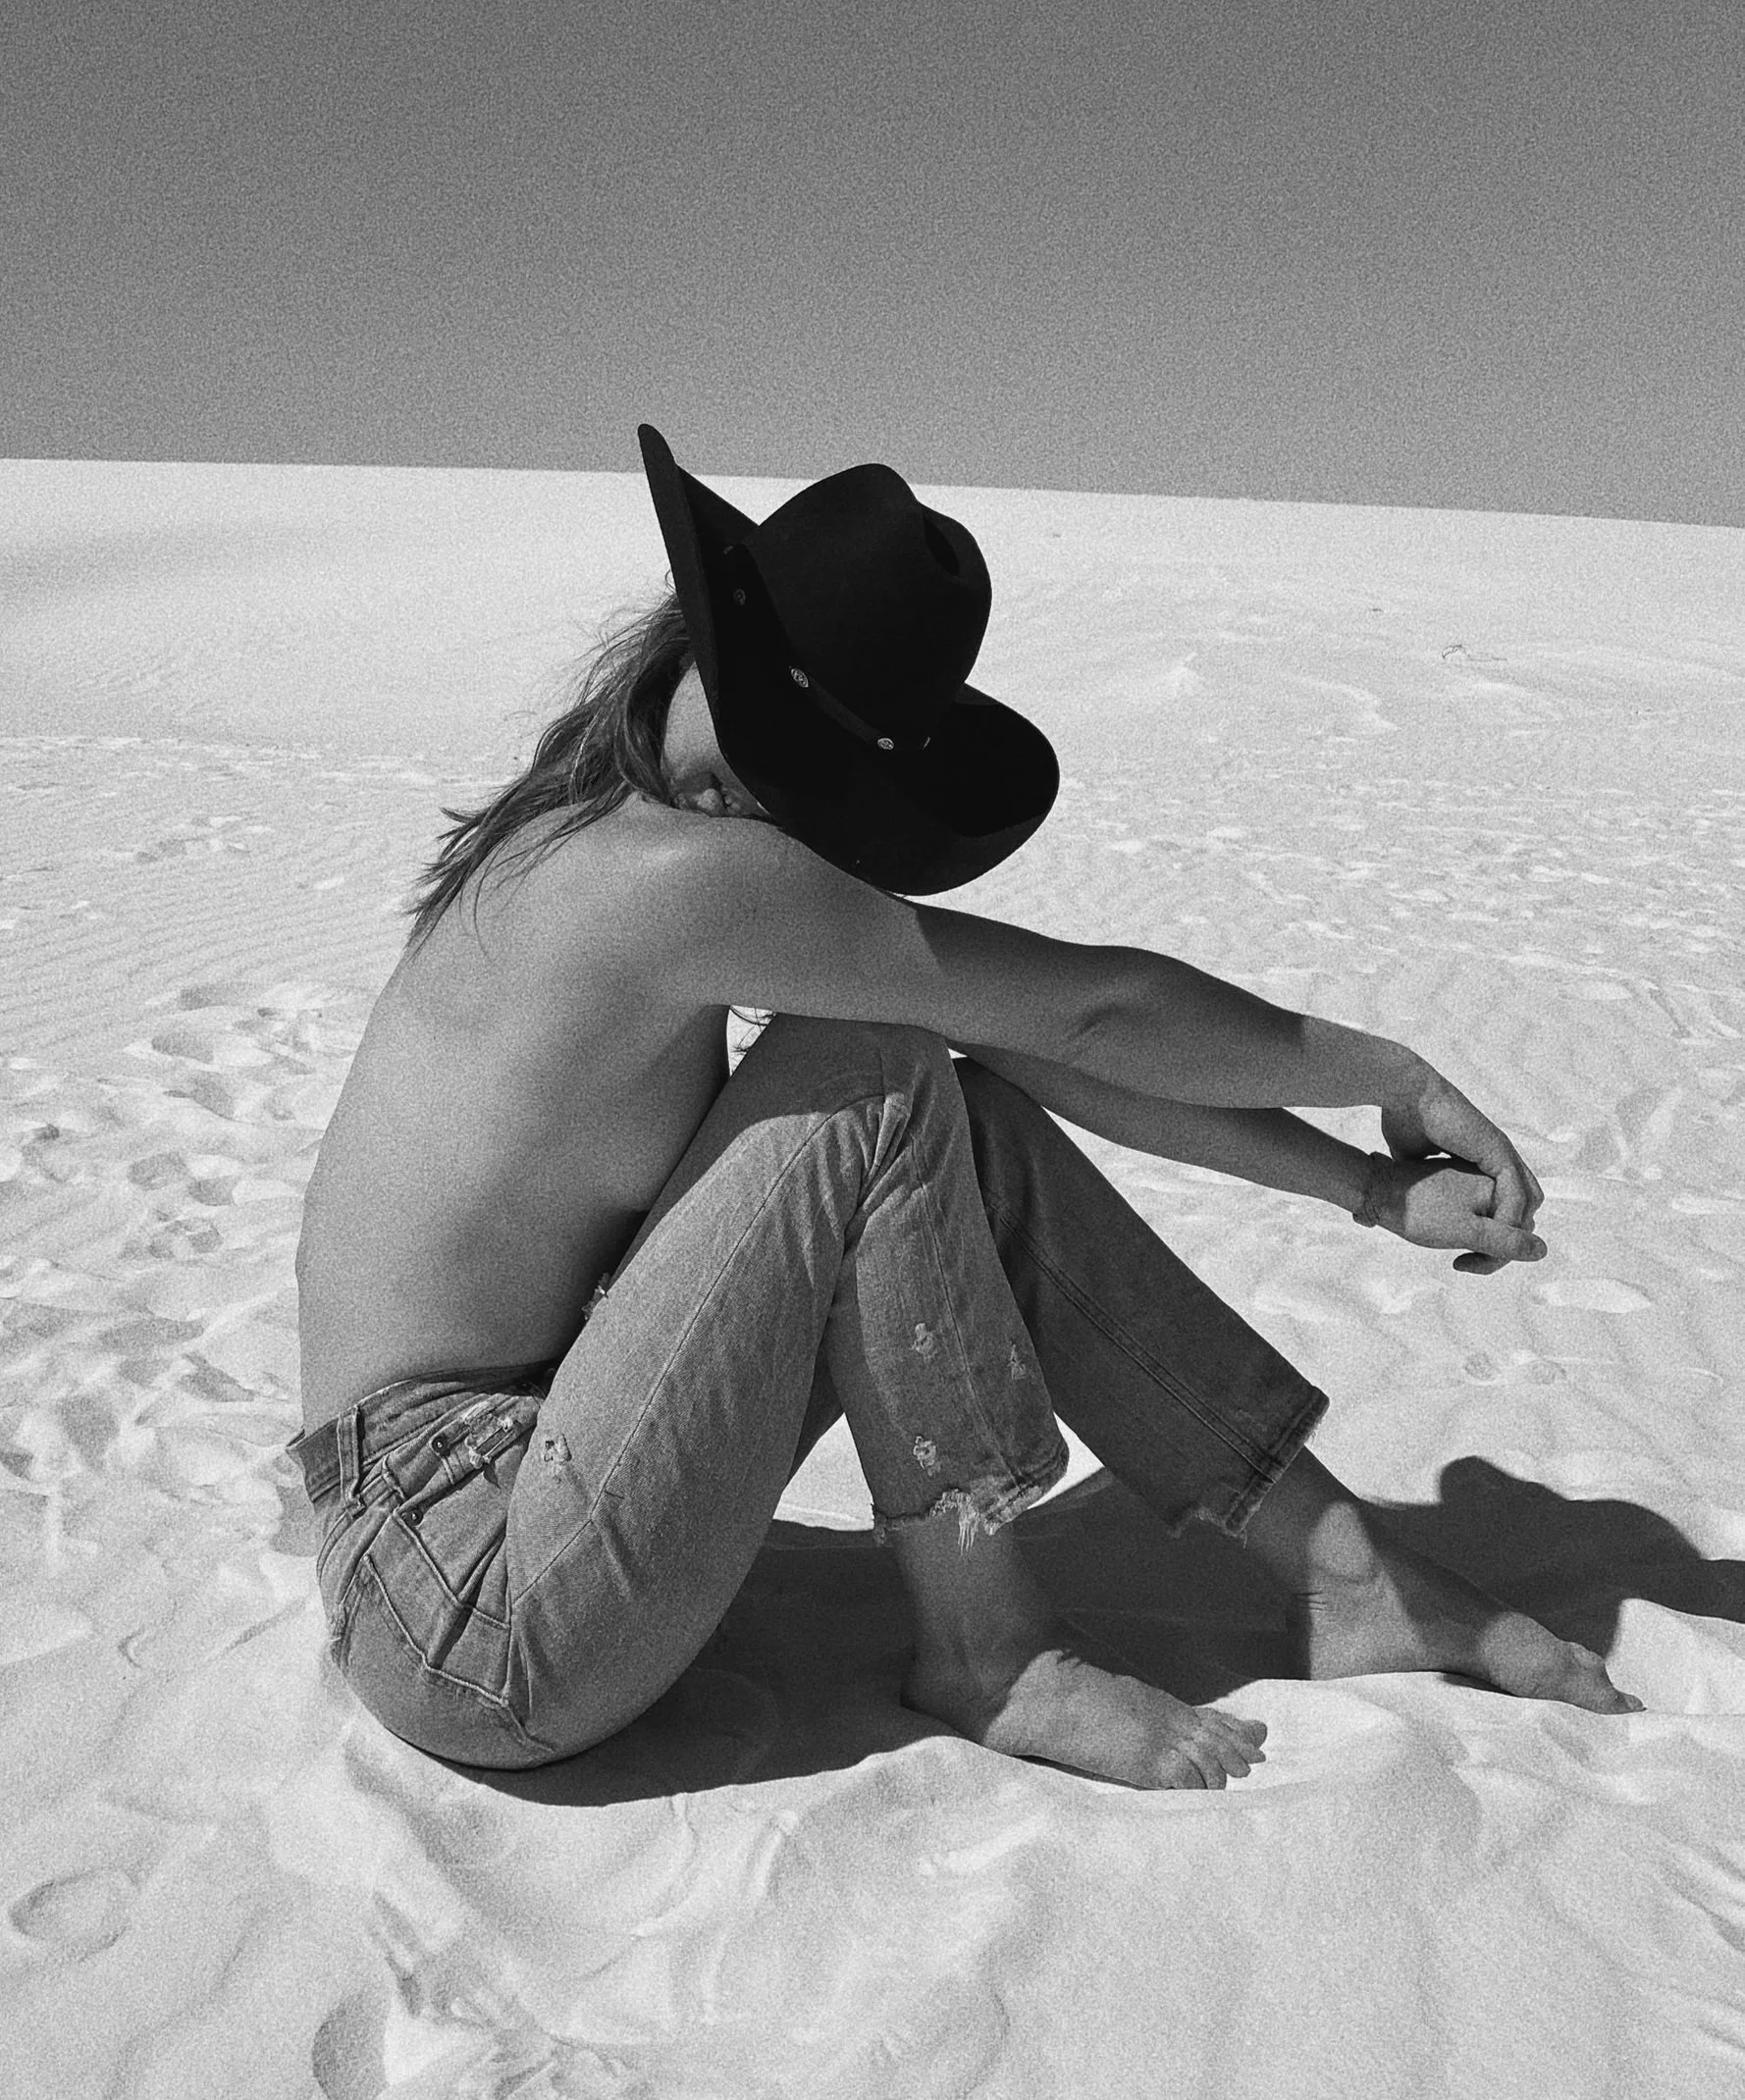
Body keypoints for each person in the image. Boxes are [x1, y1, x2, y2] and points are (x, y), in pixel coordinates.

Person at [289, 425, 1643, 1793]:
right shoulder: (656, 875)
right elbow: (1095, 1009)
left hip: (539, 1491)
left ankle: (1347, 1577)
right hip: (463, 1595)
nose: (766, 793)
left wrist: (1362, 1183)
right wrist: (1394, 1076)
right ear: (696, 649)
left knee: (952, 1110)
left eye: (812, 769)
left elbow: (1047, 1054)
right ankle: (988, 1650)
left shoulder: (630, 839)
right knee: (873, 1077)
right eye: (765, 735)